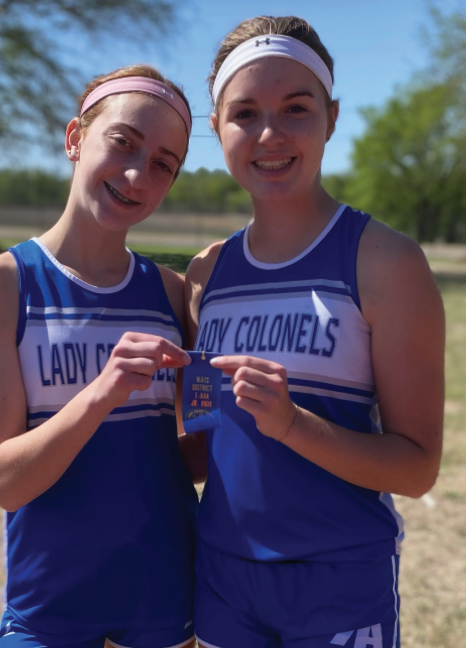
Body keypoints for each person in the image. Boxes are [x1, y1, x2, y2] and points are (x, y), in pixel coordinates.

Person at [185, 16, 445, 648]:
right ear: (216, 127)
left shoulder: (386, 262)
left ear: (331, 118)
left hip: (340, 578)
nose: (269, 134)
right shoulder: (205, 273)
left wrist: (292, 423)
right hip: (223, 577)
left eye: (296, 109)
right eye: (245, 113)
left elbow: (416, 469)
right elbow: (199, 438)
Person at [0, 65, 199, 648]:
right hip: (48, 609)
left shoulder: (172, 294)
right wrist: (101, 393)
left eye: (163, 164)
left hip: (165, 600)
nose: (138, 174)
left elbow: (193, 458)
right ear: (74, 138)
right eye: (123, 142)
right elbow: (5, 482)